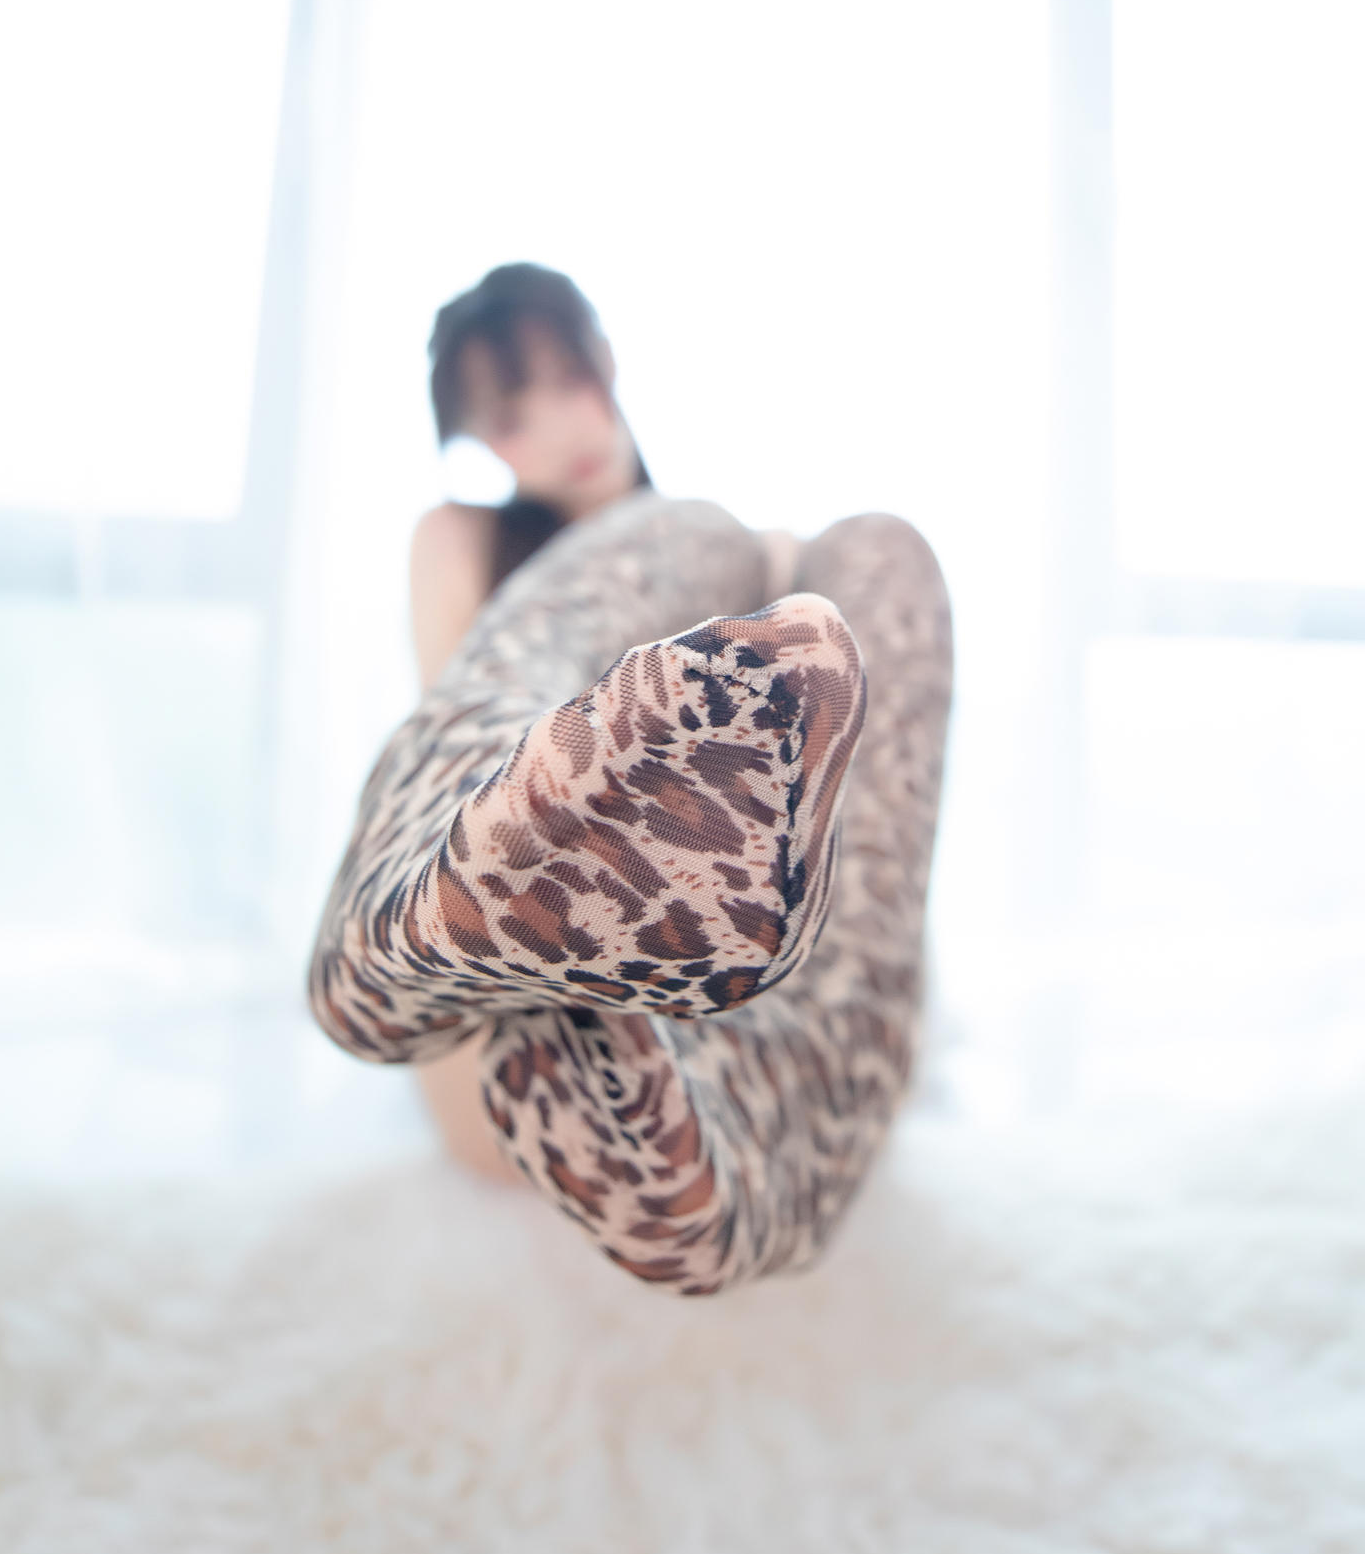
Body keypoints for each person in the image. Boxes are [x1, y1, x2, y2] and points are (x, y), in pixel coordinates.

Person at [307, 262, 954, 1297]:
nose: (563, 426)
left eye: (571, 380)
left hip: (717, 1030)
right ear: (483, 447)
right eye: (513, 417)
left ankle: (758, 1123)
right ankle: (415, 927)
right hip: (495, 1004)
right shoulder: (466, 539)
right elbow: (455, 704)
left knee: (877, 547)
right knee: (682, 543)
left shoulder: (757, 569)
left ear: (606, 364)